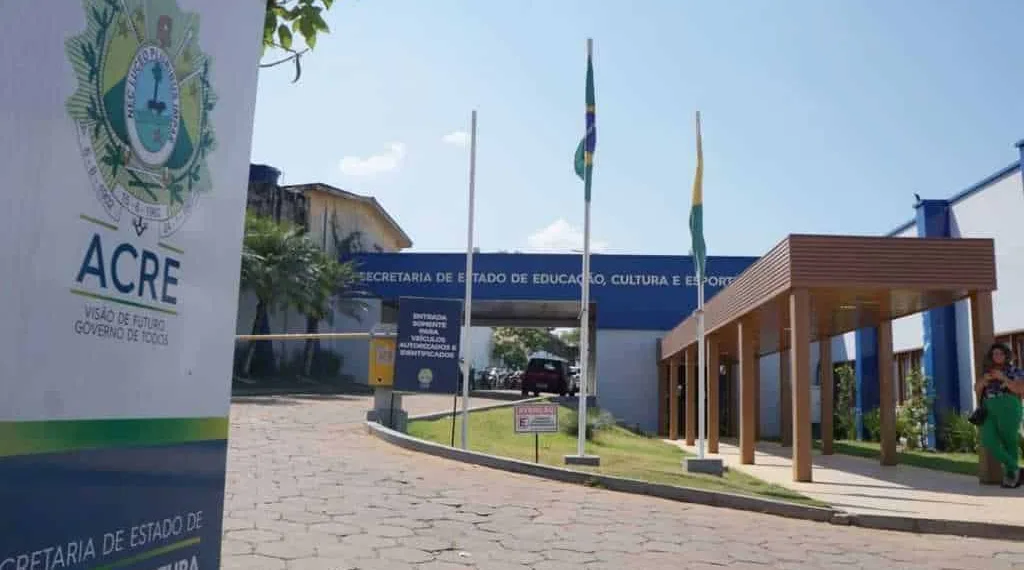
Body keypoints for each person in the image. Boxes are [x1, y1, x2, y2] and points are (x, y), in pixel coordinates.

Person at [974, 343, 1024, 488]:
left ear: (1006, 355)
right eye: (995, 354)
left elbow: (1020, 389)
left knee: (1010, 442)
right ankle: (1015, 467)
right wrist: (984, 381)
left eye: (1000, 353)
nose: (997, 356)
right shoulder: (988, 371)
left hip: (1009, 406)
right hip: (989, 407)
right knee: (988, 440)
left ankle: (1011, 478)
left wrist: (1003, 378)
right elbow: (976, 389)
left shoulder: (1014, 370)